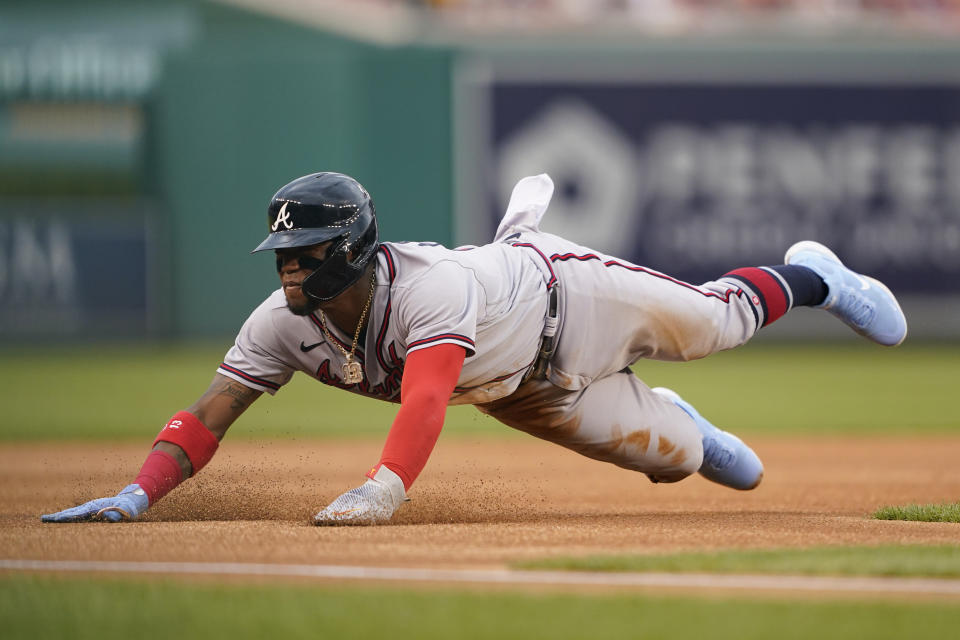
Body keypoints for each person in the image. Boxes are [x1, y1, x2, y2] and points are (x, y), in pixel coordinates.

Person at [42, 172, 907, 525]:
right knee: (690, 464)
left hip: (573, 296)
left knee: (719, 325)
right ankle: (681, 424)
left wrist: (384, 492)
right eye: (282, 257)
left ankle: (814, 277)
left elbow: (424, 400)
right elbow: (209, 414)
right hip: (524, 391)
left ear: (346, 250)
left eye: (300, 255)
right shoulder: (280, 322)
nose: (288, 271)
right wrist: (135, 493)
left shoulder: (427, 292)